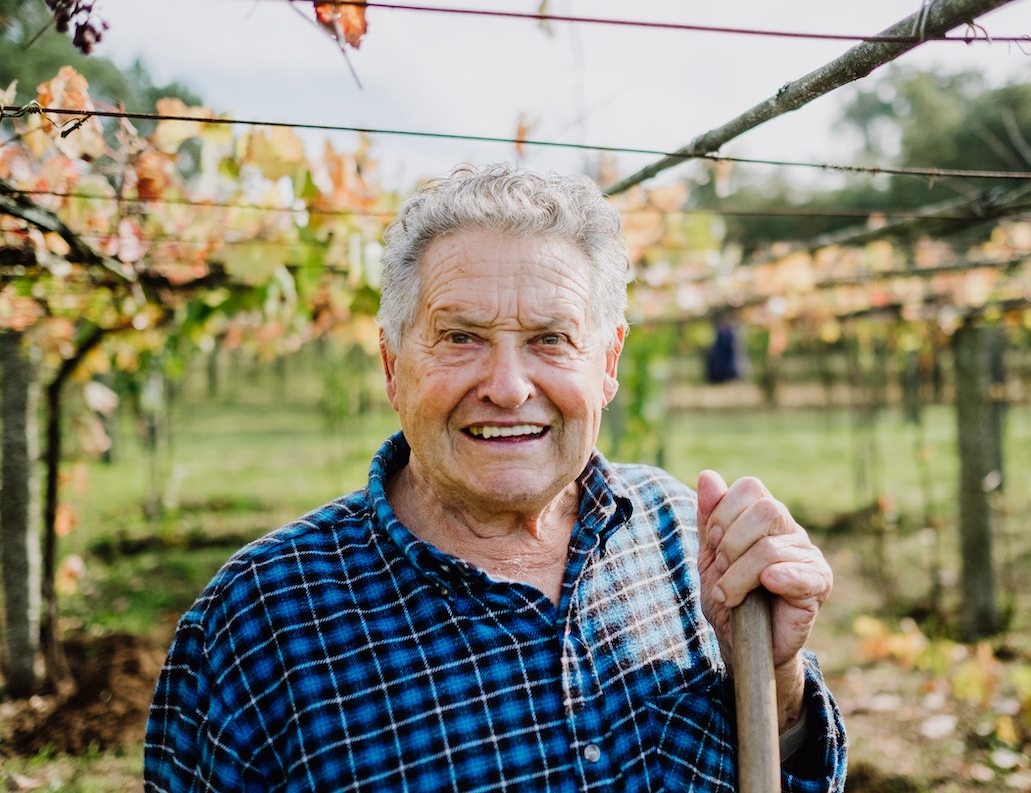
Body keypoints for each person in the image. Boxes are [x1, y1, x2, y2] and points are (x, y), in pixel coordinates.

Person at [144, 163, 847, 792]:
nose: (509, 387)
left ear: (607, 364)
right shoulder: (256, 623)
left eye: (550, 339)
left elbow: (792, 770)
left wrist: (775, 678)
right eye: (460, 337)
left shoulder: (690, 539)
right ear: (393, 366)